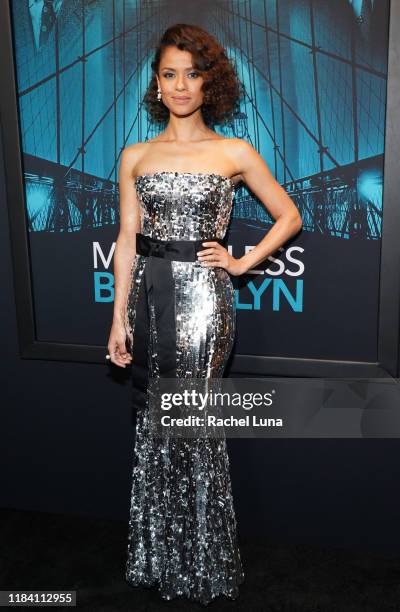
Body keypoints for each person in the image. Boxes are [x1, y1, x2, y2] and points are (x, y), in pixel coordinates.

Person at [107, 23, 302, 606]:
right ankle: (160, 555)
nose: (182, 84)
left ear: (209, 82)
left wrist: (243, 262)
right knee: (154, 419)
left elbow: (288, 215)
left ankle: (203, 560)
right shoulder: (135, 156)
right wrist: (118, 318)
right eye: (170, 74)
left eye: (193, 73)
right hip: (148, 292)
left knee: (189, 417)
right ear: (157, 85)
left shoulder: (233, 151)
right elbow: (126, 237)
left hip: (202, 302)